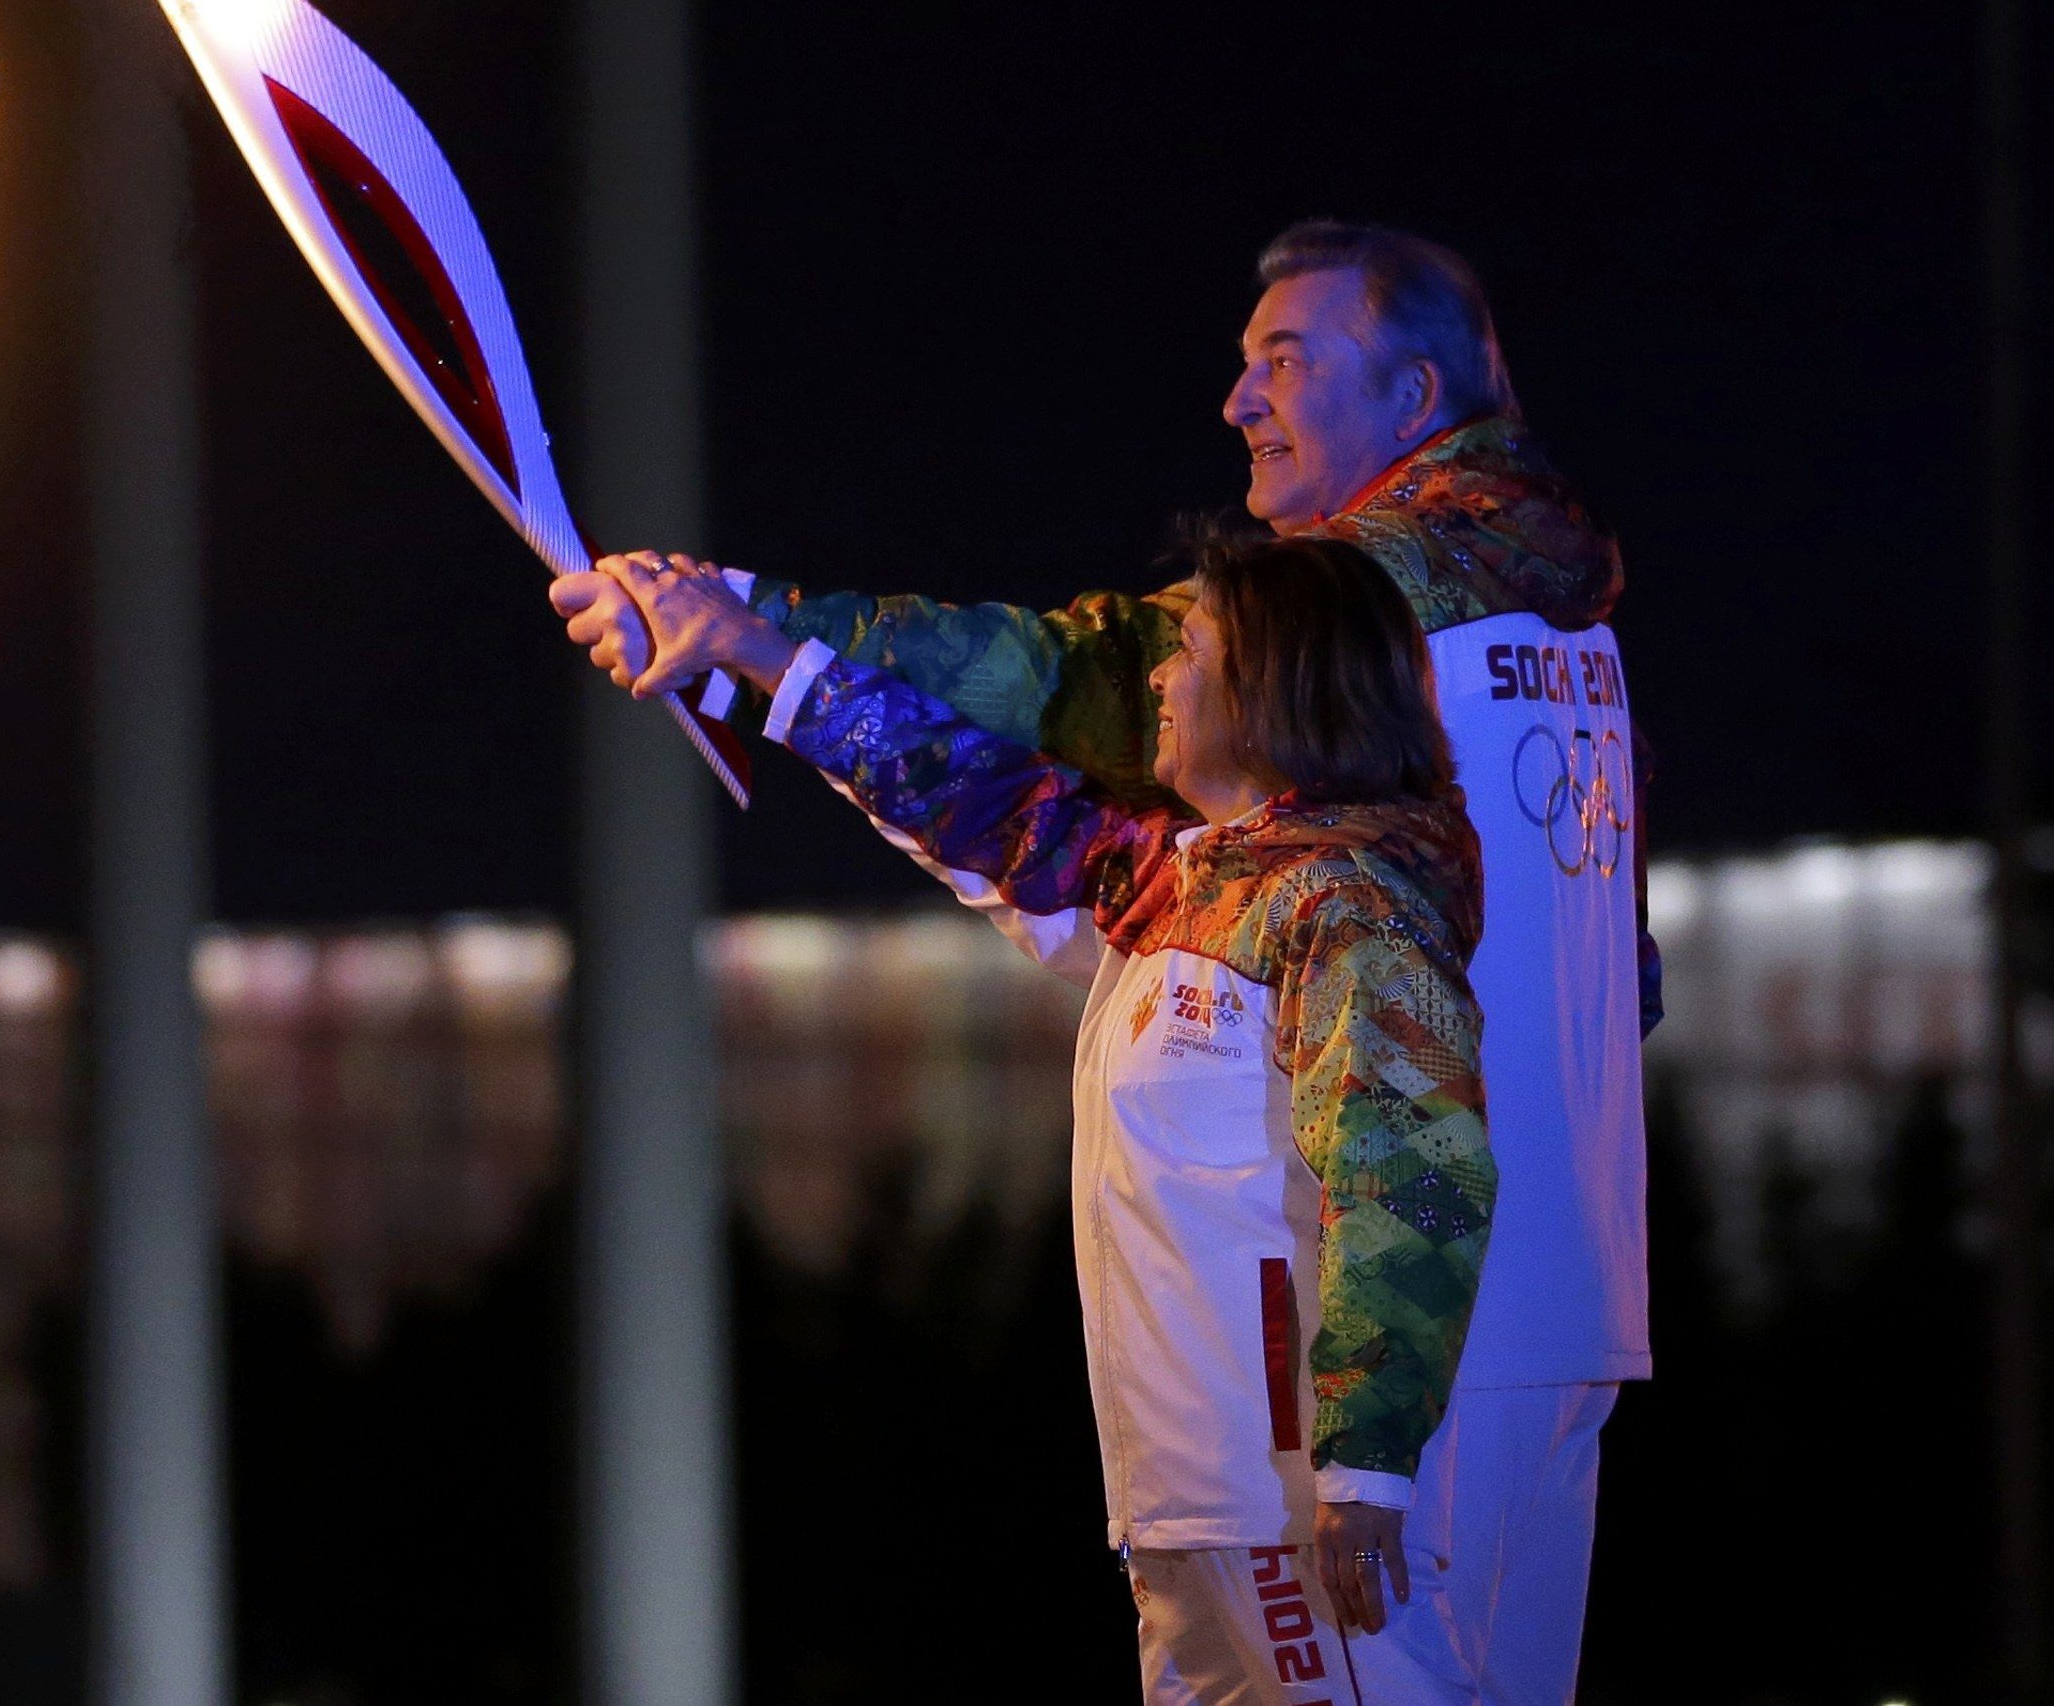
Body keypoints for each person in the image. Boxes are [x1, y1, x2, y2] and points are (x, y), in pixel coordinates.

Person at [556, 222, 1643, 1706]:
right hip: (1527, 1309)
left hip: (1390, 1351)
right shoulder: (1549, 628)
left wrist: (756, 614)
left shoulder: (1370, 637)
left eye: (1285, 359)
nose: (1238, 400)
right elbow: (1016, 818)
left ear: (1415, 397)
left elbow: (1058, 679)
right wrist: (755, 652)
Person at [610, 533, 1495, 1702]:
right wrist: (758, 654)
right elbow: (971, 797)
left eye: (1189, 649)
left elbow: (1419, 1179)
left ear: (1273, 682)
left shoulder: (1345, 909)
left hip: (1290, 1504)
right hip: (1179, 1499)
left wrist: (1366, 1475)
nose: (1159, 682)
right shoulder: (1176, 884)